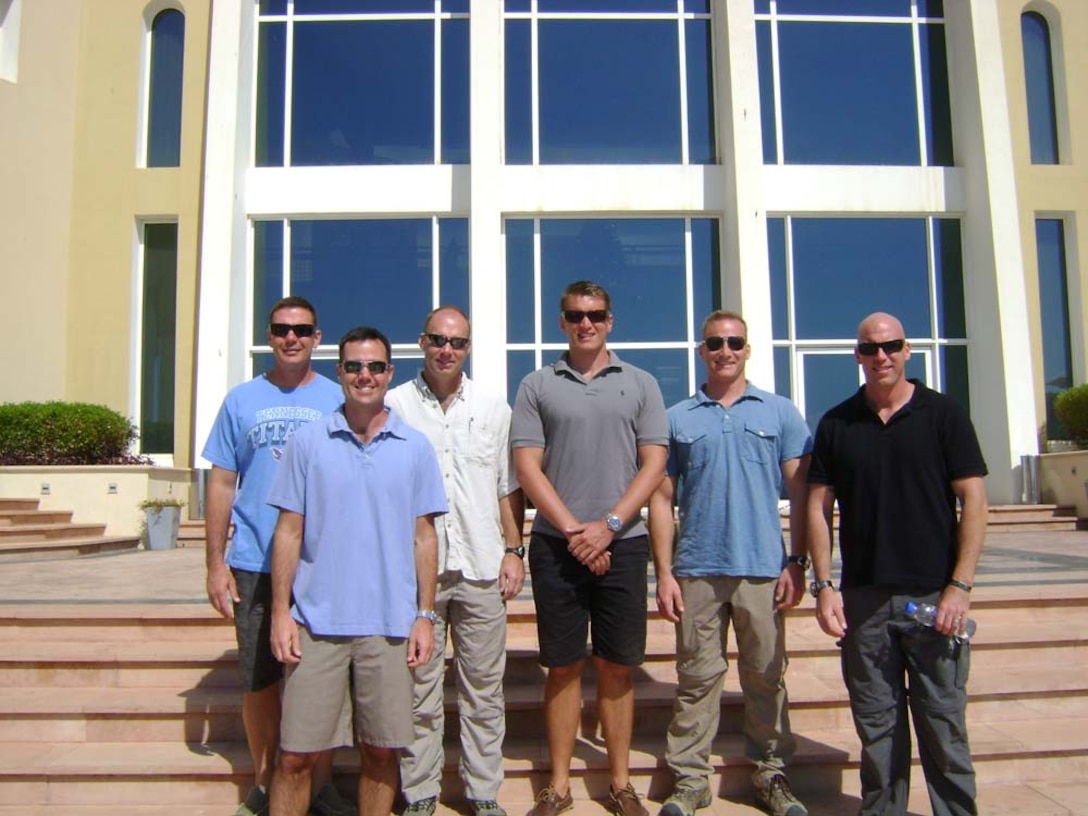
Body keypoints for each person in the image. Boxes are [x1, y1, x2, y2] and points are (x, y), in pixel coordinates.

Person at [806, 312, 988, 816]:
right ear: (857, 356)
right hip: (864, 601)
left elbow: (974, 500)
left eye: (890, 346)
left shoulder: (943, 415)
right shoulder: (837, 423)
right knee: (877, 729)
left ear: (907, 350)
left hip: (933, 597)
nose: (880, 356)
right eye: (869, 348)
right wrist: (824, 585)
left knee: (943, 725)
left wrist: (960, 586)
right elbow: (818, 508)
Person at [265, 325, 448, 816]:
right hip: (315, 625)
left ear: (389, 373)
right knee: (295, 757)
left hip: (389, 627)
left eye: (374, 367)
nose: (364, 376)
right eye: (354, 366)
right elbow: (289, 532)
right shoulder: (308, 442)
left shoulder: (415, 447)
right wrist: (280, 612)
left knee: (382, 752)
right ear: (339, 371)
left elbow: (424, 537)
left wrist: (424, 615)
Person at [511, 281, 668, 816]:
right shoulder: (536, 385)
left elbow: (654, 464)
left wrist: (610, 526)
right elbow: (527, 468)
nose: (586, 323)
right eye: (576, 315)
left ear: (610, 320)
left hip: (624, 545)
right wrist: (579, 533)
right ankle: (558, 786)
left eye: (596, 315)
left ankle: (620, 784)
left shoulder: (641, 383)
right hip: (557, 547)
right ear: (562, 321)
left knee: (617, 666)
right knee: (562, 667)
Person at [649, 310, 811, 816]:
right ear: (702, 351)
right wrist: (664, 573)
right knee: (697, 678)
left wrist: (798, 561)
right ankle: (690, 780)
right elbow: (660, 499)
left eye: (734, 342)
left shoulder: (779, 412)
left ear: (747, 349)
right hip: (697, 569)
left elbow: (803, 494)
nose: (725, 351)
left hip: (763, 569)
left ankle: (770, 774)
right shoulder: (677, 418)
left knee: (766, 676)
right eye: (715, 343)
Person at [202, 295, 354, 816]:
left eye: (302, 330)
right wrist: (215, 563)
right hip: (254, 563)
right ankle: (266, 784)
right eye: (282, 329)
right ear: (269, 336)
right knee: (259, 680)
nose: (292, 338)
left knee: (324, 681)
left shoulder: (338, 399)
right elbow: (222, 483)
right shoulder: (241, 400)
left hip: (320, 565)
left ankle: (321, 784)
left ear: (317, 338)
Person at [386, 306, 526, 816]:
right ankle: (420, 792)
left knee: (483, 690)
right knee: (418, 690)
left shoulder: (492, 408)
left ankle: (483, 793)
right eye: (438, 340)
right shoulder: (394, 406)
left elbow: (507, 487)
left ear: (468, 347)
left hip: (482, 566)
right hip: (415, 573)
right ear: (422, 342)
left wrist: (514, 549)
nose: (447, 350)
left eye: (458, 342)